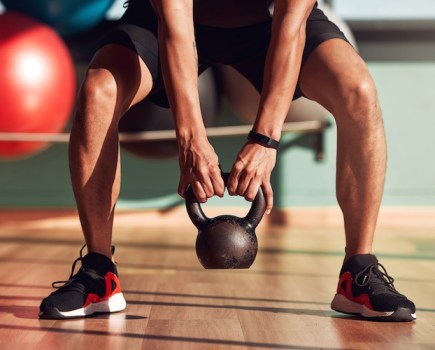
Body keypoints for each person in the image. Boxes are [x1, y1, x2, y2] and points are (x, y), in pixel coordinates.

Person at [39, 0, 416, 321]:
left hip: (270, 21)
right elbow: (175, 27)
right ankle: (99, 273)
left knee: (358, 90)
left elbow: (290, 27)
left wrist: (265, 140)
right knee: (98, 91)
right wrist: (191, 140)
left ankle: (358, 272)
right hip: (165, 22)